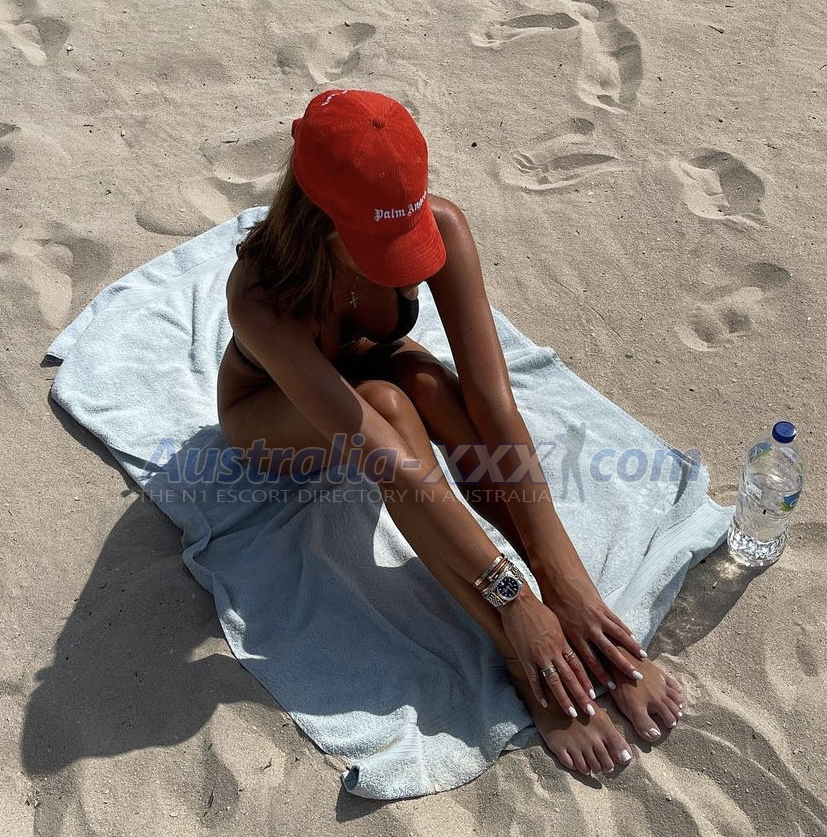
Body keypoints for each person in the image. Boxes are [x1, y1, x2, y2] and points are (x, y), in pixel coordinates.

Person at [217, 89, 683, 777]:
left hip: (363, 371)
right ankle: (523, 656)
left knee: (433, 386)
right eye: (382, 248)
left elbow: (495, 405)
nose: (404, 261)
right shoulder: (259, 295)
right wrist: (511, 598)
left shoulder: (443, 225)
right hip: (268, 418)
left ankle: (572, 618)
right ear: (319, 216)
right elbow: (385, 457)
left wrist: (566, 581)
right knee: (390, 407)